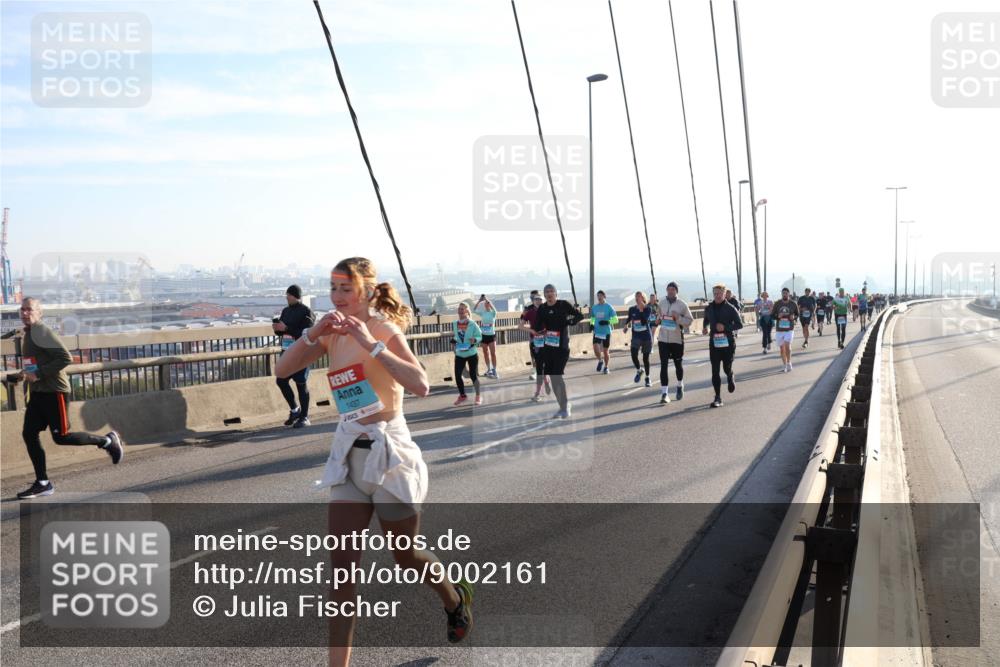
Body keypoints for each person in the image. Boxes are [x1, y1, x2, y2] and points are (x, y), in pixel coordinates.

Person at [275, 257, 472, 665]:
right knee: (342, 574)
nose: (338, 296)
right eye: (333, 288)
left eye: (346, 289)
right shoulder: (330, 332)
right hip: (350, 456)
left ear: (364, 290)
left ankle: (453, 597)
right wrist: (314, 333)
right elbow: (283, 368)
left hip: (390, 454)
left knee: (406, 557)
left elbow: (420, 384)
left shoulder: (383, 328)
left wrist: (371, 343)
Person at [15, 297, 125, 500]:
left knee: (62, 437)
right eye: (22, 309)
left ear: (39, 312)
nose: (24, 313)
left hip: (54, 392)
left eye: (29, 309)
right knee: (29, 434)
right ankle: (42, 483)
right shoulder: (29, 333)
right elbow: (37, 361)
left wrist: (39, 374)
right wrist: (27, 373)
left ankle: (107, 441)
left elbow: (65, 357)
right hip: (39, 392)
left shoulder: (41, 331)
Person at [532, 284, 583, 418]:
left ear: (555, 293)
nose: (549, 294)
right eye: (546, 292)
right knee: (554, 379)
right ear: (544, 295)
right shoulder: (542, 308)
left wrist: (569, 321)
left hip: (562, 347)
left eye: (551, 291)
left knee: (557, 375)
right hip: (549, 346)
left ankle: (565, 406)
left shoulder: (563, 305)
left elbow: (579, 316)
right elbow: (537, 326)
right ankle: (562, 407)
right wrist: (537, 323)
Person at [274, 284, 316, 428]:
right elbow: (284, 330)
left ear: (296, 296)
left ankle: (304, 417)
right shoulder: (285, 311)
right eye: (286, 295)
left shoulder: (306, 312)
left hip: (301, 354)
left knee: (300, 384)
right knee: (281, 381)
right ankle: (295, 410)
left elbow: (307, 334)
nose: (287, 297)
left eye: (289, 295)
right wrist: (278, 329)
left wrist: (286, 328)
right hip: (286, 352)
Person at [702, 284, 743, 408]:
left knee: (726, 368)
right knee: (715, 371)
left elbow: (739, 325)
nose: (717, 295)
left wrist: (725, 327)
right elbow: (706, 320)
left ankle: (730, 376)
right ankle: (718, 397)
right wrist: (705, 328)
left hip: (728, 343)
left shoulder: (730, 308)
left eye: (720, 293)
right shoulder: (709, 308)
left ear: (725, 294)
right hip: (714, 343)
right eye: (715, 293)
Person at [657, 281, 693, 403]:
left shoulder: (682, 305)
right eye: (669, 289)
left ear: (676, 291)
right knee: (663, 365)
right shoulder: (661, 302)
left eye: (673, 289)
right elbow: (658, 316)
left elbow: (689, 321)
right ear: (666, 290)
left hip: (676, 339)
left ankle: (679, 385)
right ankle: (664, 394)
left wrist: (678, 318)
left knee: (678, 365)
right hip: (662, 338)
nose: (671, 291)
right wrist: (658, 320)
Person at [521, 291, 551, 400]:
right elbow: (520, 326)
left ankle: (544, 383)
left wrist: (547, 331)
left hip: (547, 341)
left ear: (543, 301)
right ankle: (539, 391)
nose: (538, 301)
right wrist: (532, 330)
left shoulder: (548, 311)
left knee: (545, 365)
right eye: (536, 299)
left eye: (540, 299)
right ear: (533, 301)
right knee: (539, 366)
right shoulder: (530, 312)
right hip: (535, 341)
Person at [452, 303, 483, 406]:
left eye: (462, 309)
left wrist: (475, 339)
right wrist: (454, 340)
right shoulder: (455, 323)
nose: (460, 311)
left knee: (473, 375)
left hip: (471, 353)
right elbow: (458, 336)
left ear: (466, 311)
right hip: (460, 353)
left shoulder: (472, 324)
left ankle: (478, 396)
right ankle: (462, 396)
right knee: (457, 375)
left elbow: (480, 336)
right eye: (459, 309)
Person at [624, 291, 655, 387]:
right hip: (636, 336)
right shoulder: (632, 309)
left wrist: (641, 310)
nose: (637, 298)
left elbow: (644, 321)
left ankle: (647, 377)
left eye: (639, 296)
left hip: (646, 336)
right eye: (636, 296)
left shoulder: (648, 308)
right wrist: (626, 325)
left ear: (643, 298)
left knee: (646, 358)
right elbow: (629, 318)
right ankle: (639, 370)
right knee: (633, 355)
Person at [771, 287, 800, 372]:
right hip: (779, 329)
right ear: (782, 294)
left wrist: (794, 317)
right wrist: (777, 316)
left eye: (786, 293)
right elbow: (772, 315)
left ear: (788, 294)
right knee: (781, 348)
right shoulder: (777, 303)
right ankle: (784, 365)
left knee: (787, 346)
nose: (784, 294)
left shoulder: (793, 304)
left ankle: (789, 362)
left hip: (789, 329)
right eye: (783, 293)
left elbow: (797, 314)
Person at [589, 290, 618, 374]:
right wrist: (591, 324)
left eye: (601, 295)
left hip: (606, 332)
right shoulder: (594, 307)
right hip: (597, 331)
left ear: (604, 296)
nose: (599, 297)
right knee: (595, 347)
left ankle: (606, 367)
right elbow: (593, 318)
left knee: (605, 351)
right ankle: (600, 360)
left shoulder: (609, 307)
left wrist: (608, 322)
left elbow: (616, 319)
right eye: (598, 296)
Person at [473, 295, 499, 379]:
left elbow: (494, 309)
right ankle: (489, 369)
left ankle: (494, 369)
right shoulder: (482, 313)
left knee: (493, 353)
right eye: (485, 304)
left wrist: (488, 300)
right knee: (485, 353)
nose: (486, 305)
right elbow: (474, 310)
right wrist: (479, 301)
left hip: (491, 336)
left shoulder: (493, 313)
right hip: (483, 335)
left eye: (488, 304)